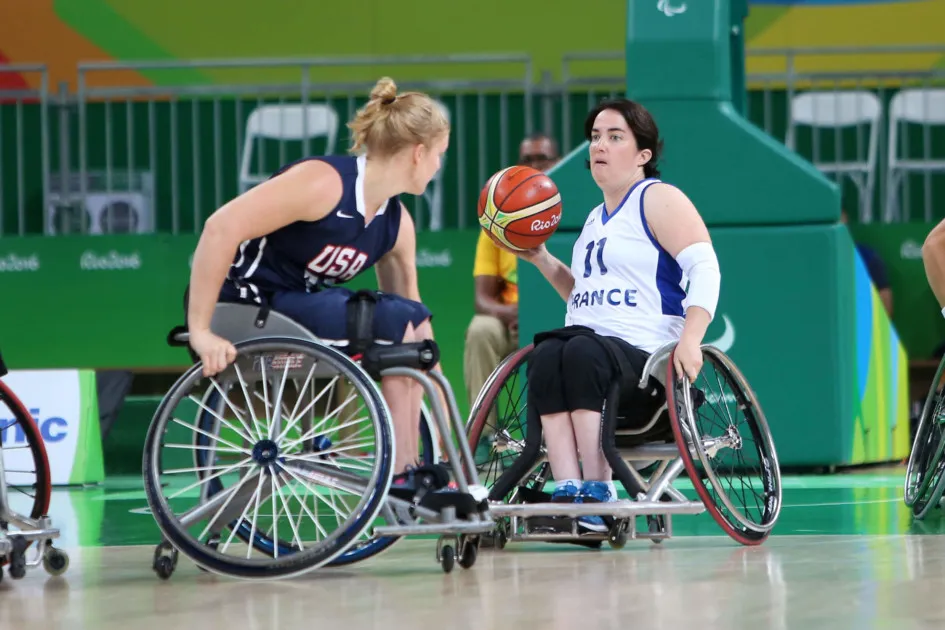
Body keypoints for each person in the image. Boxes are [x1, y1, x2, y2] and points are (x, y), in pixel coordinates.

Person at [185, 76, 451, 499]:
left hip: (293, 308)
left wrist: (439, 404)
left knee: (409, 326)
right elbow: (219, 229)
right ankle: (401, 473)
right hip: (243, 302)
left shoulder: (397, 225)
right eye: (440, 155)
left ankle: (420, 466)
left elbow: (413, 316)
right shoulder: (325, 183)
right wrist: (200, 331)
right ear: (419, 154)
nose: (439, 167)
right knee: (400, 321)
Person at [492, 98, 721, 534]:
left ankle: (600, 491)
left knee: (577, 350)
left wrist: (692, 338)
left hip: (647, 362)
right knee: (546, 353)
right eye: (595, 137)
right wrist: (541, 259)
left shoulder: (658, 198)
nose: (600, 145)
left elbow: (705, 268)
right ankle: (568, 488)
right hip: (594, 350)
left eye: (615, 137)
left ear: (642, 155)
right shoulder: (596, 219)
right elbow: (584, 295)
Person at [464, 133, 560, 416]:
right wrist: (516, 314)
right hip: (512, 324)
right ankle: (482, 437)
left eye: (542, 159)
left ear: (559, 162)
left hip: (561, 321)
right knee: (481, 329)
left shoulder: (572, 215)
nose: (534, 166)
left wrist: (536, 314)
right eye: (527, 160)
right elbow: (482, 300)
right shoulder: (497, 222)